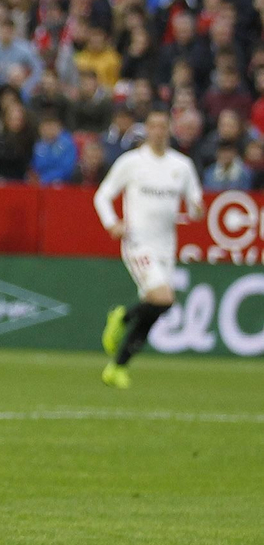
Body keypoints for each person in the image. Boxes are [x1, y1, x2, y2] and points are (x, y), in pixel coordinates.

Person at [93, 109, 204, 389]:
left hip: (166, 246)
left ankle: (117, 366)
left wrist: (198, 209)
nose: (158, 131)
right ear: (146, 130)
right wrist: (111, 223)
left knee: (157, 308)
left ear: (169, 129)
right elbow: (103, 195)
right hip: (137, 243)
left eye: (163, 126)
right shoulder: (132, 162)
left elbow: (195, 205)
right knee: (163, 298)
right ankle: (122, 317)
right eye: (153, 126)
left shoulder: (182, 165)